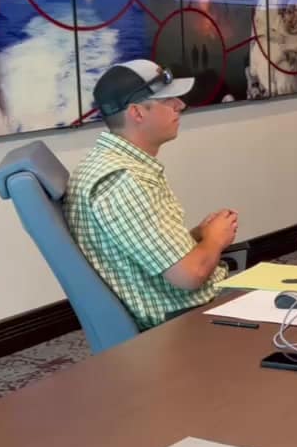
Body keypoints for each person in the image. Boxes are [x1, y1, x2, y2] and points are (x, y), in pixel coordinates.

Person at [64, 60, 239, 330]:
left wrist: (197, 236)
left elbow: (141, 251)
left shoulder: (115, 165)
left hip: (186, 307)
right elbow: (189, 275)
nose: (180, 106)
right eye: (167, 101)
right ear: (137, 113)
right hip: (184, 322)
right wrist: (215, 240)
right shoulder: (122, 181)